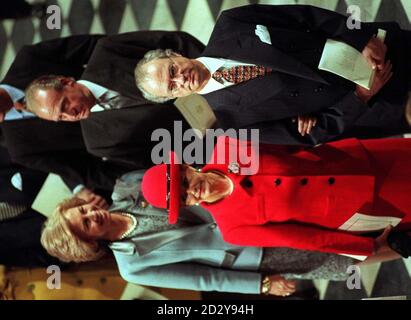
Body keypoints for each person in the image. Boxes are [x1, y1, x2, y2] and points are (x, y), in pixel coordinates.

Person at [40, 170, 362, 297]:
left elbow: (187, 173)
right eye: (86, 224)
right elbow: (202, 280)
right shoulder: (130, 266)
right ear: (89, 243)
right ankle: (395, 244)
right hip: (251, 250)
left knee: (329, 212)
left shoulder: (126, 187)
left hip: (247, 205)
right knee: (337, 256)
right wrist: (262, 284)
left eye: (81, 210)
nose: (91, 213)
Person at [135, 4, 411, 145]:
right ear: (175, 97)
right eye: (172, 86)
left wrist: (360, 36)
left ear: (174, 55)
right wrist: (361, 97)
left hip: (378, 50)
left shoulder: (231, 24)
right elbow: (306, 136)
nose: (181, 79)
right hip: (377, 100)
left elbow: (305, 16)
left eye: (172, 70)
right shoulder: (224, 123)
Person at [141, 135, 411, 258]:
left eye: (184, 182)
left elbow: (294, 139)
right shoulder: (232, 229)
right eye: (184, 198)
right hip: (357, 207)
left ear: (187, 167)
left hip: (355, 160)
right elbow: (301, 238)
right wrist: (365, 247)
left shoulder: (229, 145)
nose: (192, 191)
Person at [24, 31, 205, 167]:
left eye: (64, 104)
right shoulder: (98, 143)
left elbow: (177, 42)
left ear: (67, 82)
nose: (70, 114)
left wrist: (212, 69)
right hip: (214, 138)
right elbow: (161, 158)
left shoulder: (109, 51)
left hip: (211, 82)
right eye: (61, 117)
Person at [0, 35, 121, 199]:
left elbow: (98, 46)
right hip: (137, 140)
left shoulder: (29, 59)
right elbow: (88, 171)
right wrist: (137, 181)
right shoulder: (20, 149)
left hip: (128, 85)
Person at [0, 145, 61, 267]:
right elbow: (39, 258)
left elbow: (27, 152)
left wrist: (75, 185)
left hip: (74, 175)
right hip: (84, 230)